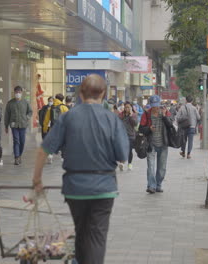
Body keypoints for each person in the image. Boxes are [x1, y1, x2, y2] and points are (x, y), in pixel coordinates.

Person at [31, 74, 128, 264]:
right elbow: (122, 155)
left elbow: (44, 150)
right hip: (103, 188)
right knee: (97, 236)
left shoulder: (68, 117)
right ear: (103, 93)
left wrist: (37, 180)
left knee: (82, 233)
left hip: (75, 189)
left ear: (80, 94)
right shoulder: (111, 119)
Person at [139, 95, 173, 194]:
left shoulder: (165, 112)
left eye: (157, 105)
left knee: (162, 168)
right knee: (151, 167)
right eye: (153, 106)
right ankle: (151, 186)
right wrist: (149, 129)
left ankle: (158, 185)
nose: (155, 108)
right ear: (150, 105)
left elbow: (170, 125)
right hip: (151, 144)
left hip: (163, 144)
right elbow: (141, 129)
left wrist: (165, 116)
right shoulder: (146, 114)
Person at [4, 86, 33, 165]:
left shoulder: (25, 102)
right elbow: (7, 115)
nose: (18, 94)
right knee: (16, 141)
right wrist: (6, 126)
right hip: (14, 125)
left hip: (23, 125)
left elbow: (30, 112)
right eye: (16, 92)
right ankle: (16, 157)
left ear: (21, 93)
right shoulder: (10, 103)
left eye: (19, 92)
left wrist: (26, 118)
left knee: (22, 142)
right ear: (14, 93)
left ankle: (19, 155)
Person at [41, 94, 69, 164]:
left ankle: (50, 155)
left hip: (53, 128)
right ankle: (63, 158)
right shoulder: (64, 107)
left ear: (55, 99)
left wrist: (45, 129)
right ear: (62, 100)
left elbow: (46, 120)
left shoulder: (50, 108)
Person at [119, 102, 138, 171]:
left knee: (129, 150)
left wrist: (130, 116)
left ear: (131, 108)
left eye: (128, 107)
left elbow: (135, 124)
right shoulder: (121, 114)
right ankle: (122, 162)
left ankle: (129, 164)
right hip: (122, 135)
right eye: (126, 107)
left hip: (130, 135)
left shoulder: (134, 115)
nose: (127, 108)